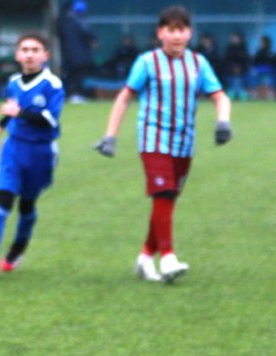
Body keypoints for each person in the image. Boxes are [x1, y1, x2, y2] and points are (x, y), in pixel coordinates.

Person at [94, 5, 232, 283]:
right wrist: (110, 136)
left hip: (184, 143)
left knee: (166, 201)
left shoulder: (198, 63)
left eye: (181, 30)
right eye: (171, 30)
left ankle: (146, 257)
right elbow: (124, 97)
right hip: (153, 139)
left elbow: (220, 96)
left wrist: (223, 122)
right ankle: (168, 258)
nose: (176, 36)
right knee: (164, 194)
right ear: (160, 33)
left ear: (189, 33)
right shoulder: (147, 62)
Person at [0, 33, 64, 279]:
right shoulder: (14, 82)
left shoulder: (53, 85)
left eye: (35, 49)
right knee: (3, 198)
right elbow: (11, 108)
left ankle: (17, 249)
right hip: (14, 148)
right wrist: (0, 125)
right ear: (17, 55)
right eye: (24, 49)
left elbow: (49, 119)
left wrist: (19, 112)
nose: (29, 54)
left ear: (45, 55)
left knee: (27, 204)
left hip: (41, 151)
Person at [56, 1, 97, 103]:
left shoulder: (63, 20)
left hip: (68, 54)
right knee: (76, 76)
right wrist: (92, 40)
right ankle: (75, 94)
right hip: (77, 55)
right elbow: (87, 33)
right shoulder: (76, 20)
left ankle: (73, 94)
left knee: (72, 75)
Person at [222, 32, 251, 101]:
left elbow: (245, 59)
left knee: (240, 82)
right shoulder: (229, 48)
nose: (234, 39)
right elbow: (227, 59)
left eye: (235, 38)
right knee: (232, 82)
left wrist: (240, 67)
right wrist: (233, 67)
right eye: (233, 38)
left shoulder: (243, 47)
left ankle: (241, 94)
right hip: (230, 71)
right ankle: (231, 94)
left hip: (242, 70)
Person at [252, 35, 276, 101]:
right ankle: (259, 96)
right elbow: (255, 61)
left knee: (267, 84)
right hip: (259, 70)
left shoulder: (270, 51)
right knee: (259, 84)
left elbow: (272, 61)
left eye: (262, 42)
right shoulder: (258, 52)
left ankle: (269, 96)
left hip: (268, 70)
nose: (261, 43)